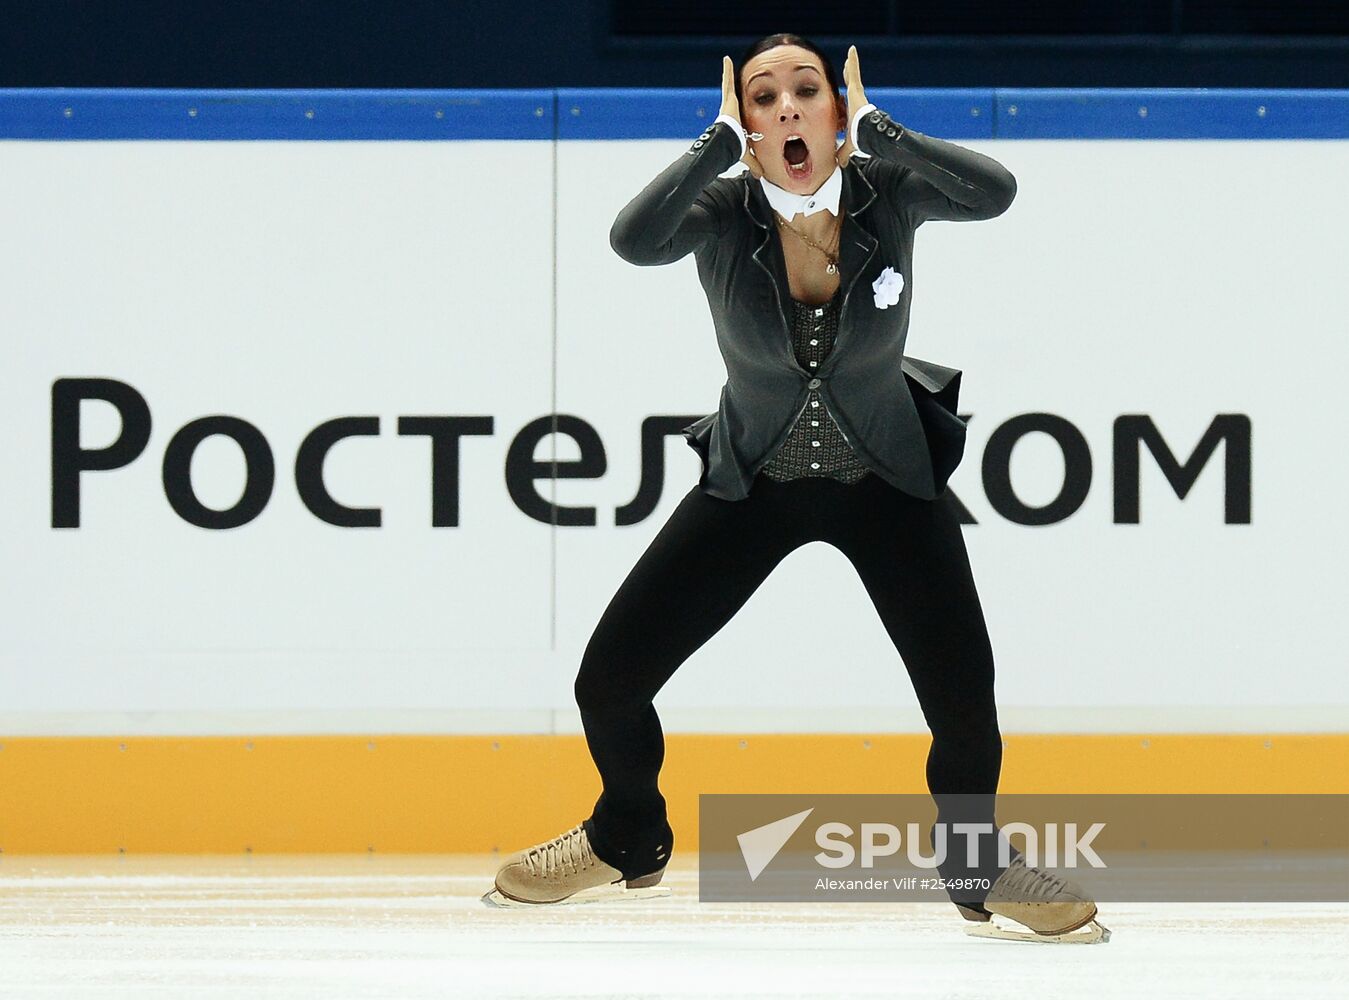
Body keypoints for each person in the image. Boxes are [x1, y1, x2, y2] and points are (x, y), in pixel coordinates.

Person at [487, 35, 1107, 943]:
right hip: (755, 483)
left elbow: (995, 192)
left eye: (804, 90)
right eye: (762, 94)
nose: (784, 106)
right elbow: (631, 241)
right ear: (745, 118)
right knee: (608, 681)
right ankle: (626, 836)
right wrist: (711, 143)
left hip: (888, 481)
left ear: (833, 110)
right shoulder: (722, 209)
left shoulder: (886, 193)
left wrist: (882, 132)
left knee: (964, 695)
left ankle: (978, 869)